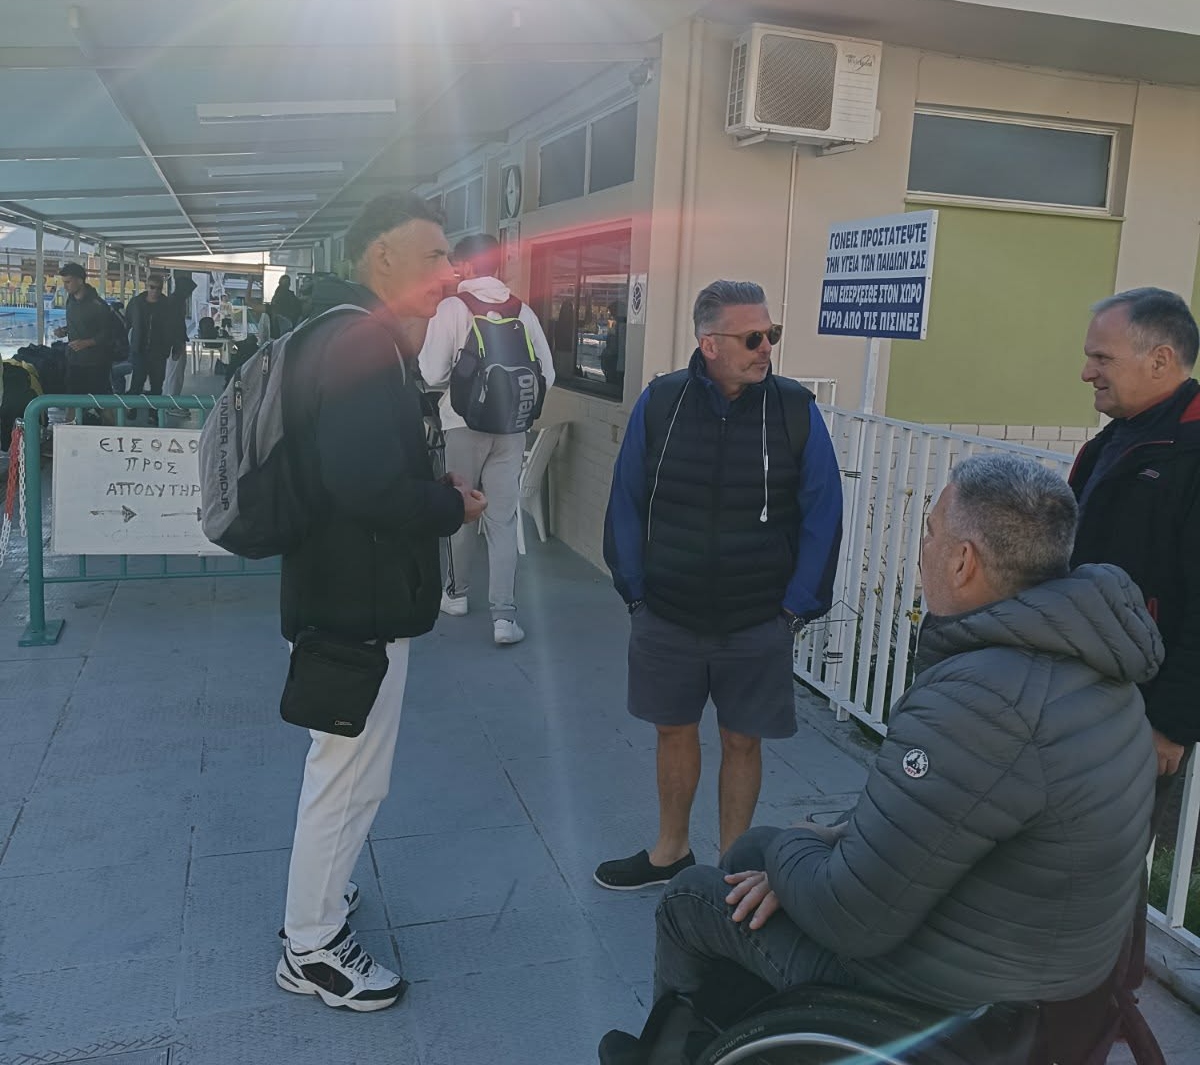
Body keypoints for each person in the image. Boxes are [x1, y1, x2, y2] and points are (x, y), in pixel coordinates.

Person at [640, 455, 1159, 1030]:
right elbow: (947, 819)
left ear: (963, 562)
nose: (923, 549)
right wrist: (808, 850)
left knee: (694, 897)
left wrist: (799, 844)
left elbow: (852, 918)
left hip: (952, 995)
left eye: (931, 533)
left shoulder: (982, 700)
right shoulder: (1087, 657)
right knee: (752, 854)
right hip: (1042, 959)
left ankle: (674, 1045)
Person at [274, 192, 487, 1012]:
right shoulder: (361, 342)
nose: (449, 272)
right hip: (352, 602)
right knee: (348, 776)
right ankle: (312, 945)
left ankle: (319, 897)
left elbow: (360, 467)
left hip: (345, 590)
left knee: (347, 770)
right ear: (382, 257)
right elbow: (364, 484)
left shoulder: (344, 331)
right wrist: (449, 505)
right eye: (434, 255)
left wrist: (429, 488)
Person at [595, 280, 843, 891]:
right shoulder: (661, 402)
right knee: (673, 731)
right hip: (667, 611)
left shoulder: (795, 409)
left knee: (742, 740)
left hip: (759, 616)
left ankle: (734, 866)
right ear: (710, 344)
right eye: (753, 338)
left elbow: (824, 512)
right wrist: (635, 590)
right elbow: (626, 499)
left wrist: (795, 607)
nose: (767, 348)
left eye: (771, 334)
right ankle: (670, 852)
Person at [1071, 287, 1200, 826]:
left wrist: (1171, 722)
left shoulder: (1191, 450)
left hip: (1142, 711)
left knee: (1108, 854)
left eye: (1102, 358)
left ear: (1160, 360)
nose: (1087, 372)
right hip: (1081, 688)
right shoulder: (1114, 440)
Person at [418, 233, 555, 646]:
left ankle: (456, 595)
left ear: (464, 265)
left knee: (460, 509)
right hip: (511, 430)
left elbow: (431, 372)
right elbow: (547, 374)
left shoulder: (451, 308)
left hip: (461, 424)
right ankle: (504, 618)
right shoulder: (522, 310)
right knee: (502, 520)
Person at [54, 262, 115, 398]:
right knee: (73, 400)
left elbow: (108, 333)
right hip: (74, 361)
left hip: (96, 363)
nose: (65, 286)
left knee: (101, 402)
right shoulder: (71, 301)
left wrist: (86, 343)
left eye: (68, 282)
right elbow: (78, 325)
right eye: (64, 282)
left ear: (80, 281)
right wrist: (64, 331)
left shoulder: (98, 305)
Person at [123, 273, 179, 419]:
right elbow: (126, 324)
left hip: (159, 352)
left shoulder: (167, 306)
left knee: (157, 384)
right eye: (152, 287)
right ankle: (132, 409)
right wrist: (124, 346)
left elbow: (175, 327)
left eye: (158, 288)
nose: (155, 291)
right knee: (137, 382)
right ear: (147, 287)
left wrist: (176, 347)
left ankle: (153, 414)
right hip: (139, 350)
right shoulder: (136, 303)